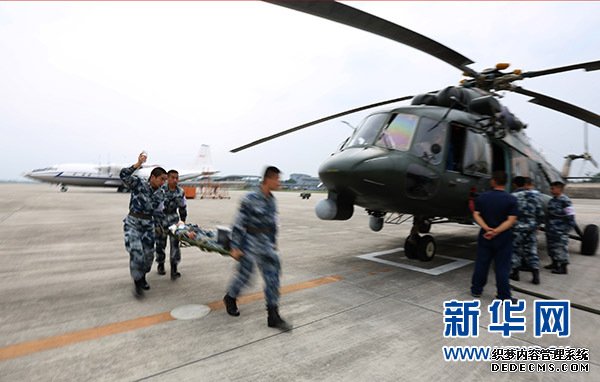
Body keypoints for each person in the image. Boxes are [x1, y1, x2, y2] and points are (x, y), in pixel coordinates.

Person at [222, 166, 292, 331]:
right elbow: (239, 224)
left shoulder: (272, 200)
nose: (279, 182)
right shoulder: (250, 198)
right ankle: (230, 297)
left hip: (267, 245)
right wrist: (235, 246)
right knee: (245, 276)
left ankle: (273, 315)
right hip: (250, 243)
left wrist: (274, 243)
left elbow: (273, 224)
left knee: (273, 278)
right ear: (269, 179)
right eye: (277, 179)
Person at [120, 152, 167, 297]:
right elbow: (123, 175)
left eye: (165, 180)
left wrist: (161, 228)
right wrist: (137, 164)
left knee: (148, 256)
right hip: (133, 223)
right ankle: (138, 281)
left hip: (148, 225)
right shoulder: (139, 183)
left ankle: (143, 276)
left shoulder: (161, 193)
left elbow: (159, 211)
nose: (163, 182)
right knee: (136, 252)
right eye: (161, 179)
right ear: (153, 177)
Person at [471, 171, 518, 302]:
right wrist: (496, 231)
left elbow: (476, 214)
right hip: (503, 237)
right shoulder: (511, 199)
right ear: (505, 182)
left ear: (493, 181)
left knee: (481, 263)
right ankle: (504, 296)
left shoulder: (482, 197)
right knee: (502, 267)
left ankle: (476, 290)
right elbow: (511, 220)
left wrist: (487, 228)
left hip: (485, 236)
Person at [510, 176, 544, 284]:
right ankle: (535, 275)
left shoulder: (512, 196)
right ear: (525, 184)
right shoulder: (535, 196)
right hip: (531, 228)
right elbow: (540, 214)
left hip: (517, 228)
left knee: (515, 250)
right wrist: (537, 225)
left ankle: (515, 274)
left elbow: (508, 214)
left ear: (515, 184)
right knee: (532, 251)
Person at [155, 169, 188, 280]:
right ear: (167, 178)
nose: (175, 180)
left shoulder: (180, 192)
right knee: (160, 244)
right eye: (172, 178)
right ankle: (160, 264)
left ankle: (174, 268)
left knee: (175, 245)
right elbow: (155, 207)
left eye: (176, 178)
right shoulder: (160, 190)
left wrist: (183, 221)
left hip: (174, 220)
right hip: (162, 220)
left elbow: (183, 207)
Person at [545, 181, 575, 274]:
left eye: (553, 188)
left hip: (560, 230)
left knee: (561, 248)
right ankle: (554, 263)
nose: (551, 190)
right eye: (551, 188)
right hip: (551, 229)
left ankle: (563, 267)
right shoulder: (552, 200)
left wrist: (565, 229)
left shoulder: (566, 201)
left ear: (559, 189)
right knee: (551, 247)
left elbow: (571, 216)